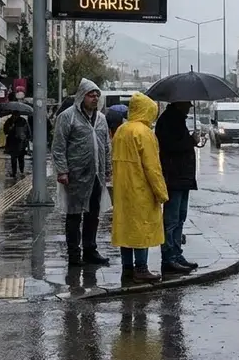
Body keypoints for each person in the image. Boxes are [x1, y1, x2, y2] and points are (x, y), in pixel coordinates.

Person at [52, 79, 112, 266]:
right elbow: (59, 146)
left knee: (93, 214)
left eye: (97, 95)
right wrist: (62, 171)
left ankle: (90, 250)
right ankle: (73, 253)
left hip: (96, 175)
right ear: (81, 96)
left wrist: (107, 169)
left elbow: (106, 146)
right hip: (75, 175)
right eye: (90, 95)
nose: (94, 99)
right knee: (74, 215)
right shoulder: (67, 117)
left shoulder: (101, 118)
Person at [111, 92, 166, 283]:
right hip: (140, 189)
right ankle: (141, 268)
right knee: (141, 229)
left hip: (122, 189)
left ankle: (127, 268)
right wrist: (161, 192)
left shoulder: (121, 130)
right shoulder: (144, 133)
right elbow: (152, 167)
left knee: (126, 229)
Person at [155, 101, 197, 275]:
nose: (189, 107)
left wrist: (191, 141)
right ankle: (169, 258)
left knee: (180, 217)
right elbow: (169, 147)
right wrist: (190, 142)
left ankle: (177, 254)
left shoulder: (177, 119)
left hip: (183, 178)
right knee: (171, 220)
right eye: (187, 104)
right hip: (174, 178)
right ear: (179, 104)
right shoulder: (168, 121)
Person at [3, 111, 30, 177]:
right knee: (13, 158)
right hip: (13, 142)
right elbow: (5, 131)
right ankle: (14, 172)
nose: (15, 116)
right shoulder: (9, 121)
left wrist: (27, 138)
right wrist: (10, 129)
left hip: (21, 142)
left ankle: (21, 171)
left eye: (16, 115)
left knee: (21, 158)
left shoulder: (23, 121)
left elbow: (28, 131)